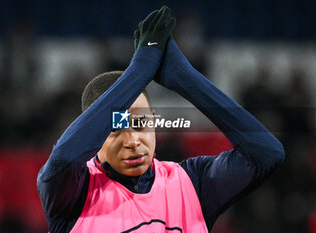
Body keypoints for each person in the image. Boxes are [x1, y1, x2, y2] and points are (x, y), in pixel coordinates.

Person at [37, 6, 285, 233]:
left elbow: (267, 153)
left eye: (141, 123)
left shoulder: (193, 183)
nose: (133, 141)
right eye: (115, 128)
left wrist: (185, 77)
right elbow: (63, 159)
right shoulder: (74, 190)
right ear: (95, 131)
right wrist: (141, 69)